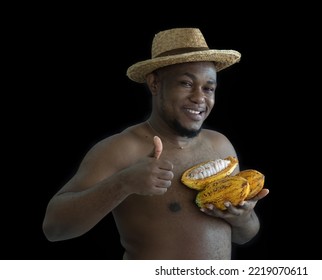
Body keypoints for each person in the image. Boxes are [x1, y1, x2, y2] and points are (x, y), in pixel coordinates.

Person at [42, 27, 269, 259]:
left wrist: (242, 219)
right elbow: (54, 228)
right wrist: (123, 184)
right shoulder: (123, 149)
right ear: (154, 84)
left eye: (208, 88)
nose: (200, 98)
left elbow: (244, 235)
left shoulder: (221, 147)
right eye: (186, 84)